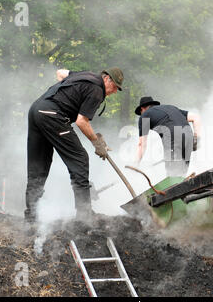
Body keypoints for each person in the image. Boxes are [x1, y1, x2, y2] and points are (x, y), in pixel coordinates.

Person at [24, 67, 124, 223]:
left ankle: (31, 217)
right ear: (107, 79)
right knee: (80, 159)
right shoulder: (97, 90)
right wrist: (97, 143)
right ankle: (84, 215)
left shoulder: (84, 75)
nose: (115, 91)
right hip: (52, 115)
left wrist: (67, 94)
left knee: (39, 166)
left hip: (36, 110)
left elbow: (60, 73)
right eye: (115, 87)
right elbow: (81, 122)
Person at [135, 96, 201, 177]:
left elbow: (142, 144)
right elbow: (195, 117)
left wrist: (136, 164)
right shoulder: (171, 107)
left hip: (173, 139)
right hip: (189, 136)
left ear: (142, 108)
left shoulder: (145, 115)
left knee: (173, 175)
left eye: (140, 112)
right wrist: (197, 139)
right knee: (181, 174)